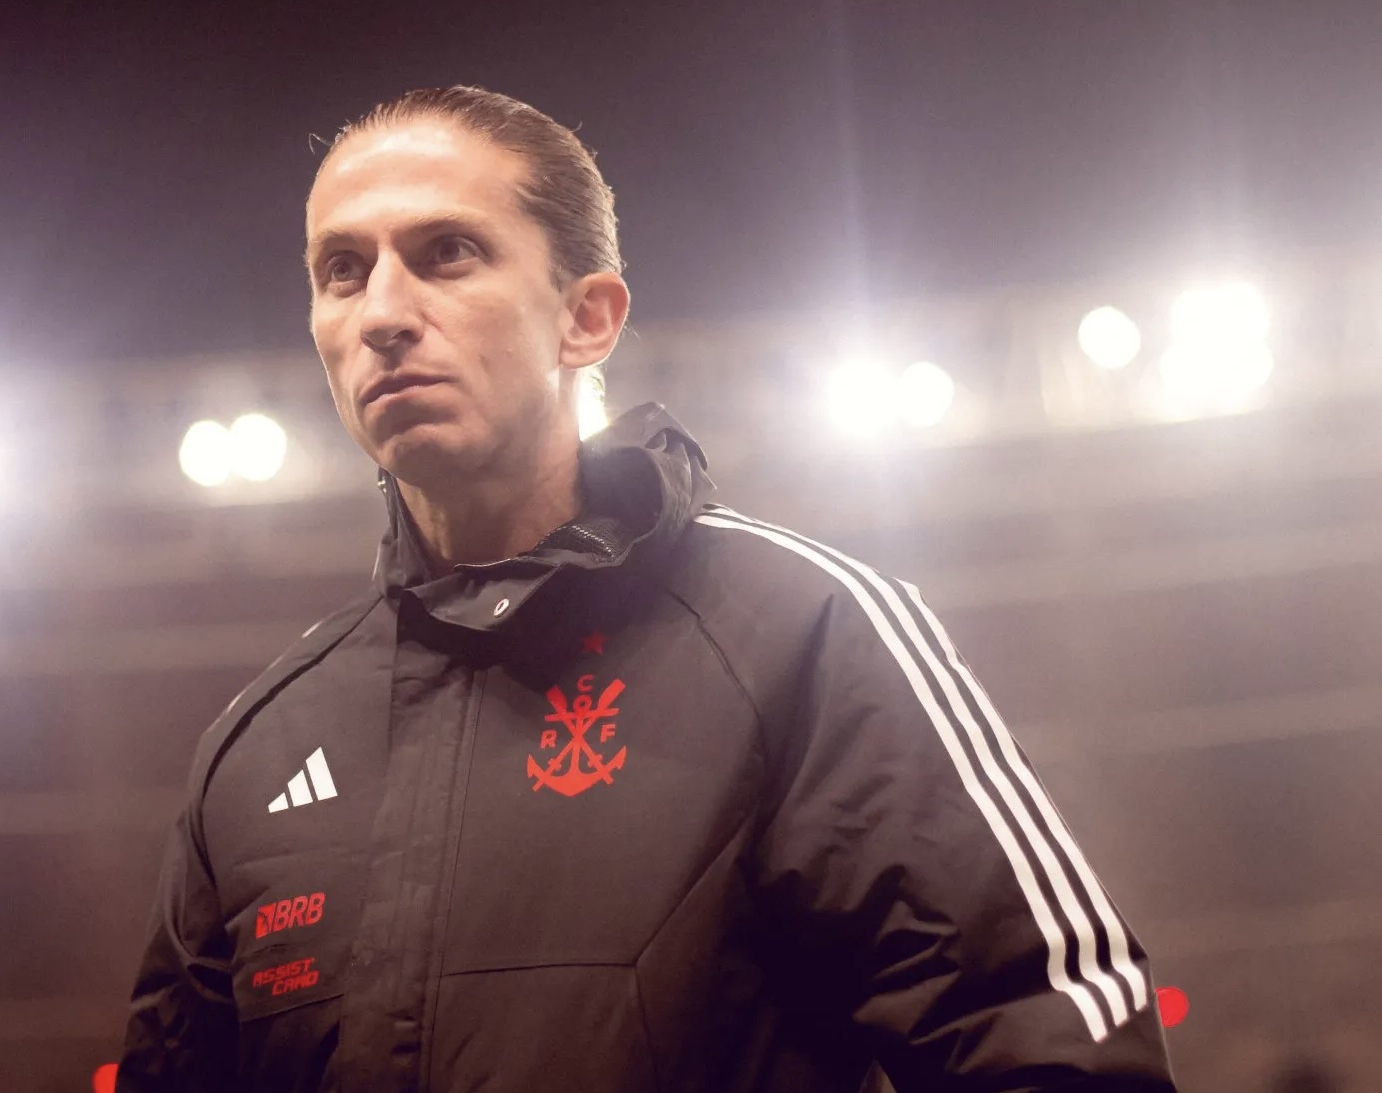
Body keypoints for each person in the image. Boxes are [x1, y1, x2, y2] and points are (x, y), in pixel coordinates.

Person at [118, 86, 1179, 1092]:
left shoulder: (800, 631)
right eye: (343, 270)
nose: (384, 311)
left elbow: (1038, 1037)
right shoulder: (260, 743)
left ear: (587, 318)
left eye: (447, 253)